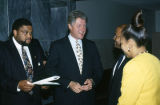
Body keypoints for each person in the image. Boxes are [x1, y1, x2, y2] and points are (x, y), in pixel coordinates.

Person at [45, 10, 103, 105]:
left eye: (84, 25)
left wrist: (92, 81)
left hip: (87, 98)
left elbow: (99, 70)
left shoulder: (91, 45)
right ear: (70, 26)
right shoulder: (57, 45)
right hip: (65, 98)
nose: (83, 29)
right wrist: (68, 83)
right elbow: (49, 69)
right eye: (79, 25)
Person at [117, 12, 160, 105]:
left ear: (130, 44)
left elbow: (126, 102)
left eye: (122, 43)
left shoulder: (132, 66)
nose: (121, 47)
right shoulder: (155, 60)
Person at [0, 18, 45, 105]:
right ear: (15, 32)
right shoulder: (3, 49)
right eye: (25, 32)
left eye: (31, 33)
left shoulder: (35, 44)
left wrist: (44, 82)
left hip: (35, 100)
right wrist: (17, 85)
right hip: (13, 100)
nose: (29, 36)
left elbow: (40, 69)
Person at [107, 24, 129, 105]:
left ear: (125, 39)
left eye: (116, 35)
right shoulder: (120, 57)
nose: (114, 38)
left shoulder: (131, 63)